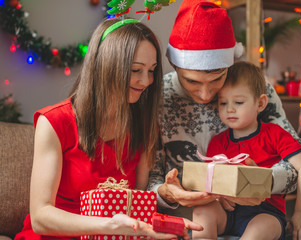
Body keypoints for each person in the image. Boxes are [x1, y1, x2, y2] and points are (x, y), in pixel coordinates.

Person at [15, 18, 202, 240]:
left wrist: (166, 224)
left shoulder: (142, 126)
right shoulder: (54, 122)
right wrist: (109, 226)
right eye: (135, 70)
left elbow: (137, 208)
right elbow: (40, 218)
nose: (146, 81)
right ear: (106, 65)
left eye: (151, 70)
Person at [148, 0, 301, 219]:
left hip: (255, 218)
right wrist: (167, 194)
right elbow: (148, 181)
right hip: (182, 222)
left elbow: (300, 164)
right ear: (174, 65)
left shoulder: (252, 90)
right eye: (192, 82)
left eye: (216, 79)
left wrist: (260, 181)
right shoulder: (158, 98)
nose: (206, 95)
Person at [192, 61, 301, 240]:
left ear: (260, 104)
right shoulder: (217, 142)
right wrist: (218, 196)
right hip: (227, 212)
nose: (229, 109)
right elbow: (209, 182)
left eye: (238, 102)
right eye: (223, 103)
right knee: (202, 211)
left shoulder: (275, 134)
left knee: (261, 228)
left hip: (265, 212)